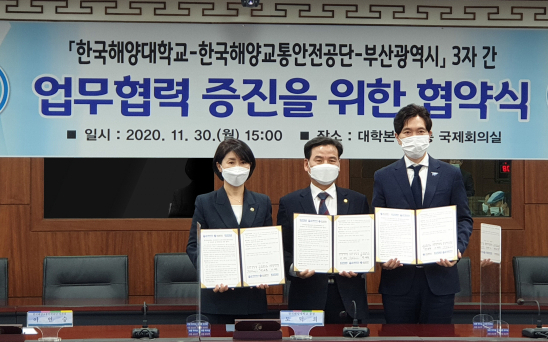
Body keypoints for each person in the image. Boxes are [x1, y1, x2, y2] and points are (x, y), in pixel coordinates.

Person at [372, 104, 473, 324]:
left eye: (420, 131)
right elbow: (377, 223)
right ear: (397, 137)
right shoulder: (383, 176)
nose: (414, 137)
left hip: (440, 278)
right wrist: (381, 256)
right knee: (398, 341)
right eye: (407, 132)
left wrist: (456, 248)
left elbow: (464, 218)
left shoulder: (450, 174)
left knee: (439, 341)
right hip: (398, 280)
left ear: (430, 134)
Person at [277, 136, 370, 323]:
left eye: (332, 160)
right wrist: (294, 268)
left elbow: (367, 245)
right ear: (307, 164)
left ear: (339, 164)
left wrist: (359, 266)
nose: (326, 165)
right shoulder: (289, 202)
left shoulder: (357, 200)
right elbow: (282, 249)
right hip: (306, 296)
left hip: (348, 298)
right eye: (319, 160)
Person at [186, 138, 272, 324]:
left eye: (243, 162)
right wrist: (210, 275)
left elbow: (268, 245)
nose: (237, 168)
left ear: (250, 166)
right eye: (231, 162)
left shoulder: (262, 202)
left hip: (252, 299)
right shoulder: (205, 202)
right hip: (216, 298)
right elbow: (194, 246)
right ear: (219, 166)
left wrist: (267, 273)